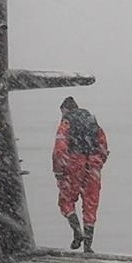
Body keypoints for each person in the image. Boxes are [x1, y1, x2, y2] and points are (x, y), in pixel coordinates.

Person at [52, 96, 108, 253]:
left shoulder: (66, 122)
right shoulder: (92, 121)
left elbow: (59, 149)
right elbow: (103, 145)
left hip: (74, 163)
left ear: (65, 110)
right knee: (91, 204)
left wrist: (59, 171)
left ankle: (77, 231)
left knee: (66, 201)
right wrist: (98, 162)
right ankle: (88, 246)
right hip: (94, 164)